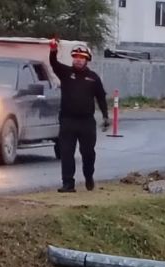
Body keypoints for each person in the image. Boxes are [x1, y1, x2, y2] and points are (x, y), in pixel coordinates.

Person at [49, 40, 109, 193]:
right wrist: (53, 49)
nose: (78, 59)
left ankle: (89, 176)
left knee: (88, 153)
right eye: (75, 56)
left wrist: (106, 117)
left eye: (81, 57)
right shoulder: (66, 73)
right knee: (66, 152)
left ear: (87, 60)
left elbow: (101, 98)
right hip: (67, 121)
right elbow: (53, 63)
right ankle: (68, 184)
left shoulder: (93, 78)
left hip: (86, 123)